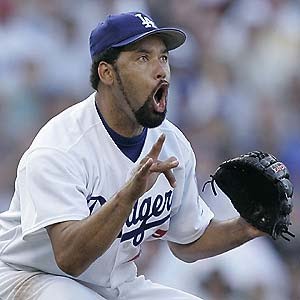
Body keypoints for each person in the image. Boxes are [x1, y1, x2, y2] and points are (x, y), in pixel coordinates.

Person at [0, 11, 263, 300]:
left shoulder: (172, 144)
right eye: (143, 58)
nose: (161, 69)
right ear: (107, 73)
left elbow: (189, 240)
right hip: (29, 275)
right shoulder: (60, 148)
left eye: (163, 57)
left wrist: (247, 226)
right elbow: (69, 258)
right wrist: (128, 196)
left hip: (115, 283)